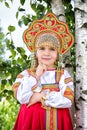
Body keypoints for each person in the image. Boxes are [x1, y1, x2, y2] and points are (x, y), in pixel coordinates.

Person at [12, 13, 74, 130]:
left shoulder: (62, 75)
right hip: (30, 121)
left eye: (52, 49)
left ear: (58, 54)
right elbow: (21, 97)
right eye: (42, 48)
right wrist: (36, 76)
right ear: (35, 52)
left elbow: (68, 100)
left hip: (58, 121)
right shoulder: (26, 74)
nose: (47, 53)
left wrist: (40, 97)